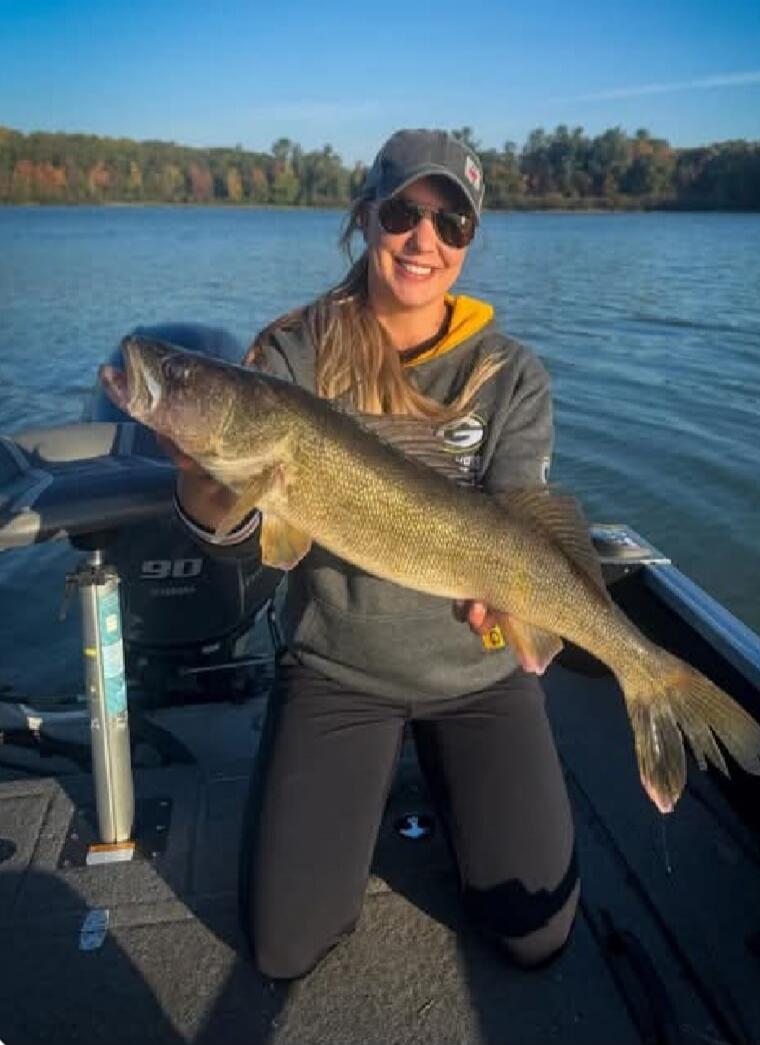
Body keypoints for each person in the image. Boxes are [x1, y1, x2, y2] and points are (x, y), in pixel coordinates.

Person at [171, 129, 580, 978]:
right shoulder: (291, 356)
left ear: (470, 240)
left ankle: (461, 767)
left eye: (451, 223)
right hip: (339, 669)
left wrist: (510, 609)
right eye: (403, 213)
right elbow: (239, 532)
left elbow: (525, 524)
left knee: (536, 932)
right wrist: (206, 479)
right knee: (286, 947)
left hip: (475, 676)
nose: (424, 239)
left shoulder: (512, 374)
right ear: (365, 218)